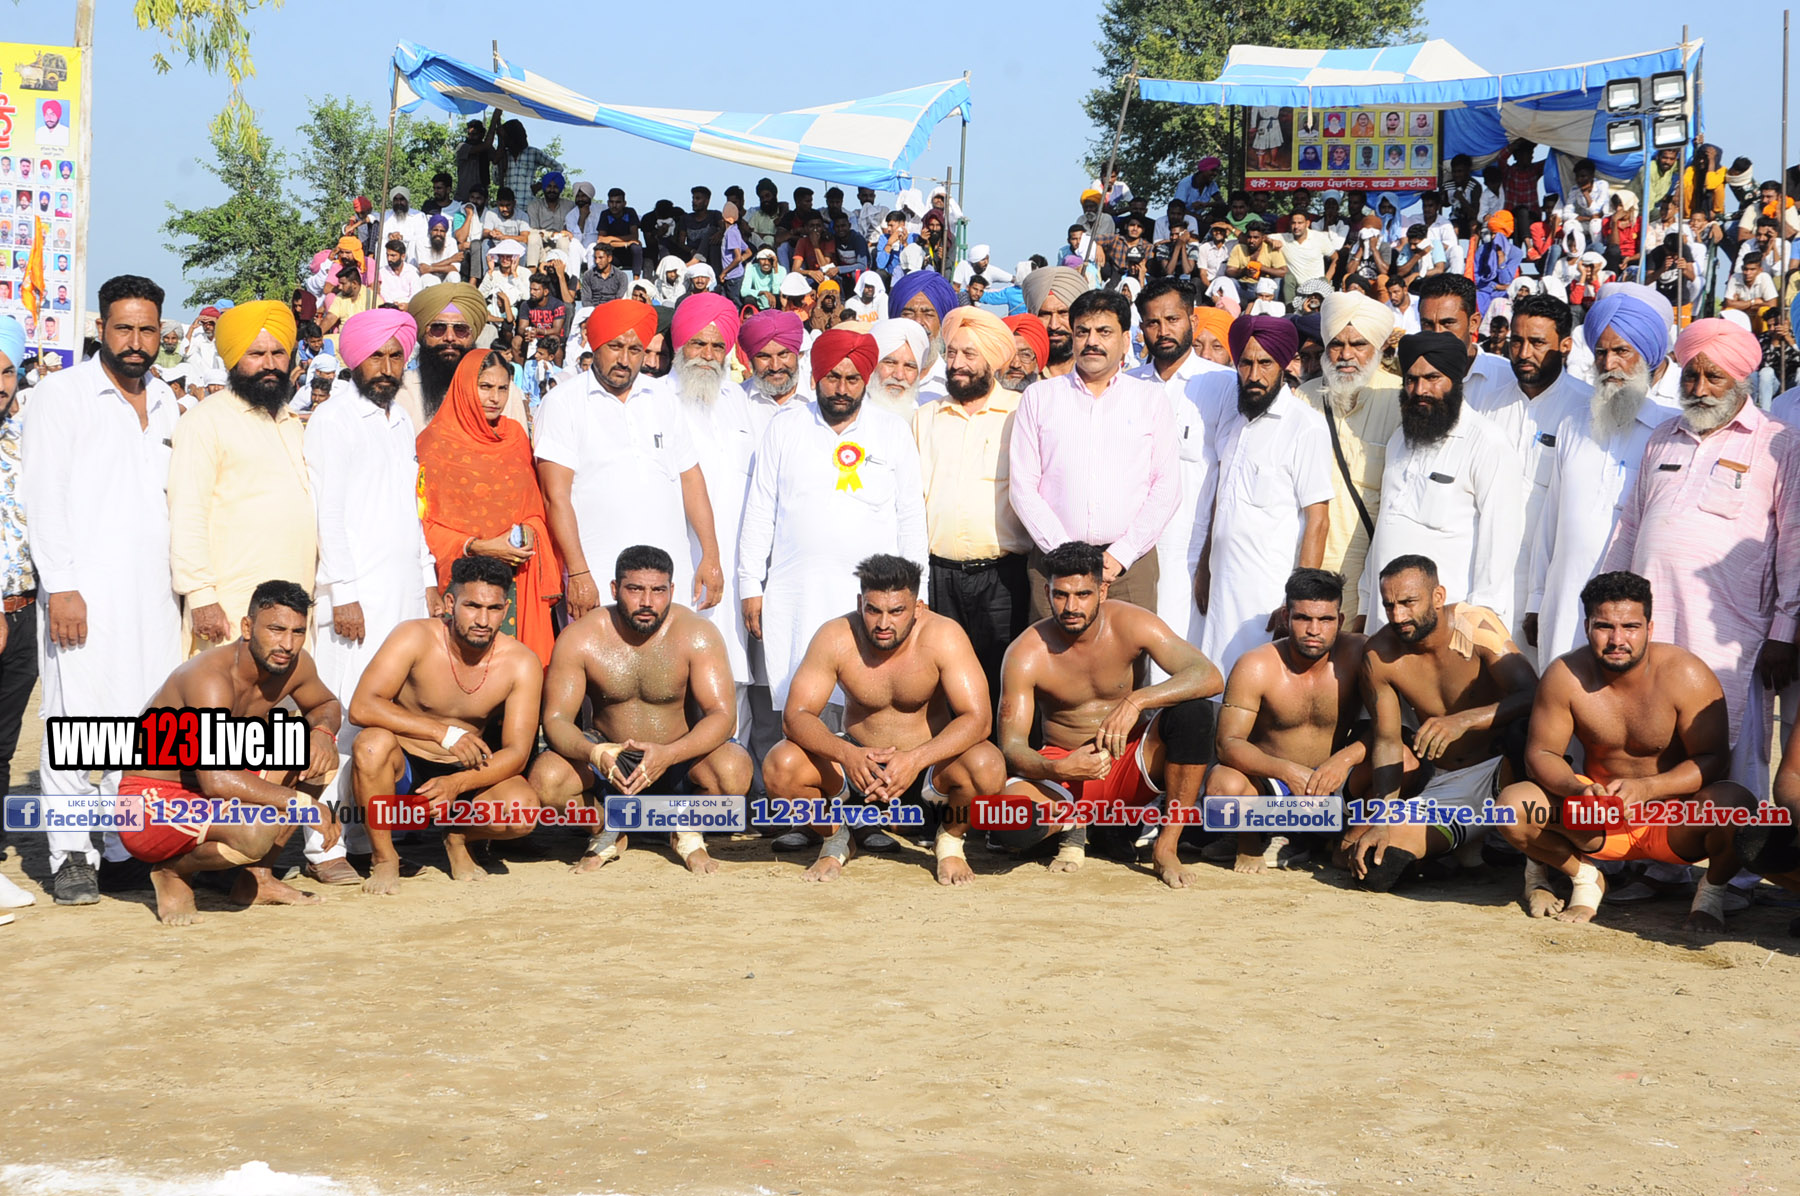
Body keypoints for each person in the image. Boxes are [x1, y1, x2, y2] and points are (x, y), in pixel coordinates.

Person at [1603, 318, 1800, 792]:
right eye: (1691, 375)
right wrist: (1608, 598)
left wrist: (1784, 630)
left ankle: (1738, 840)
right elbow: (1632, 525)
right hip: (1653, 622)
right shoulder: (1663, 436)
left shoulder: (1780, 441)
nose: (1699, 389)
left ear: (1741, 379)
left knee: (1735, 752)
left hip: (1733, 632)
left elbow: (1794, 541)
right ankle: (1661, 840)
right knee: (1655, 738)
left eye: (1714, 377)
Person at [1491, 571, 1749, 931]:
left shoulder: (1685, 674)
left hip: (1671, 820)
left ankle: (1710, 894)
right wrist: (1578, 789)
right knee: (1511, 807)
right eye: (1604, 627)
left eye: (1630, 626)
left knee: (1737, 805)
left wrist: (1649, 788)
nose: (1617, 639)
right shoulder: (1566, 674)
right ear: (1587, 627)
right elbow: (1542, 754)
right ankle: (1586, 879)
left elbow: (1714, 759)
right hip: (1599, 818)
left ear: (1650, 628)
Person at [762, 554, 1005, 884]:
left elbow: (978, 719)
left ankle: (949, 842)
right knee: (781, 764)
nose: (883, 623)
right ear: (860, 603)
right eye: (873, 610)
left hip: (926, 773)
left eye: (896, 611)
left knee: (988, 764)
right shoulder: (836, 636)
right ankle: (836, 839)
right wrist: (847, 754)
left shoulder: (943, 636)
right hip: (858, 771)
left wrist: (915, 759)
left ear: (917, 608)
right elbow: (796, 716)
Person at [304, 309, 443, 875]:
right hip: (353, 596)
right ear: (354, 360)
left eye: (395, 357)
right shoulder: (333, 419)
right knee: (341, 712)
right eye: (375, 357)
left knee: (384, 715)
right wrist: (343, 591)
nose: (386, 368)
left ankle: (367, 836)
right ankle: (324, 845)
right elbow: (328, 513)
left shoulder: (401, 420)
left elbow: (412, 509)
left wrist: (428, 580)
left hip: (402, 593)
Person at [114, 581, 343, 925]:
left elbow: (326, 704)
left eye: (297, 632)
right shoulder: (209, 678)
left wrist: (323, 733)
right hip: (151, 803)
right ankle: (172, 872)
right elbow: (216, 780)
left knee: (320, 759)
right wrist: (304, 804)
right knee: (256, 829)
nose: (287, 644)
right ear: (247, 628)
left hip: (213, 789)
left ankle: (257, 880)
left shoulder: (295, 665)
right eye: (276, 629)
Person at [996, 541, 1223, 882]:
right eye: (1061, 595)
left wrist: (1138, 701)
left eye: (1083, 594)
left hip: (1129, 760)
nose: (1071, 607)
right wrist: (1057, 768)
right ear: (1047, 592)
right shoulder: (1026, 652)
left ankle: (1166, 847)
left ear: (1102, 591)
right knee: (1007, 823)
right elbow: (1011, 747)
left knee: (1195, 713)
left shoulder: (1131, 623)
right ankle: (1077, 821)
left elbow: (1208, 675)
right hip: (1064, 768)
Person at [529, 545, 751, 875]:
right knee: (546, 781)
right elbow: (556, 719)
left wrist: (669, 754)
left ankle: (683, 827)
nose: (647, 601)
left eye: (658, 590)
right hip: (611, 763)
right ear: (615, 589)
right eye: (635, 589)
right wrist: (595, 753)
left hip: (678, 761)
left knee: (733, 770)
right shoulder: (581, 637)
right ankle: (607, 827)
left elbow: (723, 716)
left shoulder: (696, 633)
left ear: (671, 590)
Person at [739, 328, 928, 714]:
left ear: (866, 380)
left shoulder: (891, 431)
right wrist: (749, 585)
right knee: (801, 708)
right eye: (833, 377)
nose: (842, 389)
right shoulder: (785, 427)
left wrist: (917, 592)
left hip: (873, 599)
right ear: (815, 377)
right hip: (798, 594)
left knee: (869, 705)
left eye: (853, 379)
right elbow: (760, 510)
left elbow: (910, 517)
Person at [348, 556, 545, 894]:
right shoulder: (415, 636)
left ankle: (458, 836)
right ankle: (384, 858)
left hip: (465, 770)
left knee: (522, 813)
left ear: (505, 610)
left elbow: (517, 752)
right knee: (370, 744)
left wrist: (457, 783)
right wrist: (443, 733)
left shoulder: (521, 662)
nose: (482, 620)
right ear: (451, 603)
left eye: (493, 609)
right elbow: (362, 706)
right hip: (404, 766)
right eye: (472, 606)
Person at [1348, 555, 1538, 889]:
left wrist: (1464, 720)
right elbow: (1387, 741)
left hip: (1504, 770)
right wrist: (1382, 819)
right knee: (1376, 868)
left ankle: (1536, 871)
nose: (1398, 616)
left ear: (1438, 596)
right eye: (1389, 605)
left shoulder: (1475, 624)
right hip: (1450, 785)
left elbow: (1533, 694)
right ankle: (1464, 846)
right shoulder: (1379, 655)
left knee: (1524, 732)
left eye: (1408, 602)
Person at [535, 299, 724, 620]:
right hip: (599, 574)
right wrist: (578, 572)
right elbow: (555, 497)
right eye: (615, 347)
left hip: (670, 573)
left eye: (635, 350)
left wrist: (711, 555)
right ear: (594, 345)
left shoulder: (663, 398)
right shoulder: (562, 403)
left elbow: (691, 479)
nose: (624, 360)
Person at [1528, 284, 1681, 663]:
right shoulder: (1572, 425)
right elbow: (1549, 521)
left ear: (1647, 356)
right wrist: (1536, 599)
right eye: (1601, 352)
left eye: (1622, 351)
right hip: (1564, 601)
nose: (1609, 363)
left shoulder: (1669, 432)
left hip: (1628, 617)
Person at [1009, 289, 1177, 617]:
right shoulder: (1039, 397)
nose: (1091, 341)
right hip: (1054, 563)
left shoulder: (1150, 400)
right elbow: (1022, 488)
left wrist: (1121, 554)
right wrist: (1065, 555)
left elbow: (1167, 487)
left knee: (1129, 649)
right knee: (1051, 650)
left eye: (1104, 332)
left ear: (1126, 340)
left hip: (1128, 567)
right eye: (1082, 331)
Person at [168, 302, 318, 658]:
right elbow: (187, 513)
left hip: (295, 604)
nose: (269, 364)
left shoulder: (292, 422)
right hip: (231, 605)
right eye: (256, 354)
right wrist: (201, 597)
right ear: (234, 358)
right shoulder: (204, 422)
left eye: (278, 353)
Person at [1190, 315, 1332, 679]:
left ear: (1283, 364)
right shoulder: (1234, 422)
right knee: (1217, 684)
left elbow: (1318, 520)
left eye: (1265, 363)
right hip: (1221, 586)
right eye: (1245, 363)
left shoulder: (1306, 426)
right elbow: (1222, 501)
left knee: (1260, 685)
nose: (1254, 375)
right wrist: (1205, 567)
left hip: (1269, 596)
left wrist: (1297, 601)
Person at [1207, 569, 1368, 873]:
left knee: (1402, 760)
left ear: (1340, 620)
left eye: (1325, 620)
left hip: (1332, 783)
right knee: (1222, 785)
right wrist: (1287, 771)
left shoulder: (1359, 654)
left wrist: (1343, 760)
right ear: (1286, 616)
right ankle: (1250, 841)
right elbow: (1227, 744)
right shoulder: (1257, 665)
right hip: (1274, 785)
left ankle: (1342, 841)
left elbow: (1387, 729)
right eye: (1303, 618)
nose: (1314, 629)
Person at [1360, 332, 1522, 634]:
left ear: (1456, 380)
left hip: (1448, 626)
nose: (1420, 390)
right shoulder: (1400, 439)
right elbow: (1386, 525)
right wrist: (1364, 600)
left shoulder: (1487, 444)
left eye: (1432, 378)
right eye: (1411, 380)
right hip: (1385, 618)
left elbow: (1500, 542)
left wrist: (1480, 622)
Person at [1462, 292, 1593, 664]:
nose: (1523, 353)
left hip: (1550, 581)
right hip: (1484, 576)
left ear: (1565, 346)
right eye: (1516, 341)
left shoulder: (1585, 409)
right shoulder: (1487, 406)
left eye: (1537, 343)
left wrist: (1540, 598)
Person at [912, 307, 1033, 707]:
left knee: (1003, 685)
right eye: (951, 353)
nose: (957, 364)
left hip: (1002, 579)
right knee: (942, 688)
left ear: (993, 361)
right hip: (939, 577)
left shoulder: (1021, 411)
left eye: (969, 354)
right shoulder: (924, 418)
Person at [418, 349, 563, 667]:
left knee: (514, 672)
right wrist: (478, 546)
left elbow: (533, 506)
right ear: (464, 386)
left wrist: (528, 533)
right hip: (461, 583)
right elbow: (423, 523)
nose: (495, 398)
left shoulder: (515, 436)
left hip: (515, 581)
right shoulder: (434, 443)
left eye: (502, 388)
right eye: (485, 387)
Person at [1128, 279, 1230, 648]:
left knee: (1182, 657)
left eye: (1172, 319)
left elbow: (1226, 479)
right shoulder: (1126, 386)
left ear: (1192, 320)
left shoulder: (1223, 384)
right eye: (1153, 323)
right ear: (1142, 329)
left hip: (1190, 551)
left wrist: (1208, 560)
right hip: (1131, 552)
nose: (1163, 331)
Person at [666, 295, 756, 694]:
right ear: (679, 343)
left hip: (735, 562)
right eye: (698, 343)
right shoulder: (656, 399)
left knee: (733, 678)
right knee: (678, 675)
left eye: (718, 346)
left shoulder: (738, 399)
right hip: (681, 558)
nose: (707, 355)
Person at [1298, 293, 1401, 626]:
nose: (1345, 355)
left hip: (1371, 571)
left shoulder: (1400, 399)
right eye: (1336, 344)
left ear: (1378, 347)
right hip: (1307, 563)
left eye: (1358, 344)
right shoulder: (1303, 398)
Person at [402, 283, 528, 431]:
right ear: (423, 334)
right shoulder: (403, 390)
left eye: (460, 329)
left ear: (472, 335)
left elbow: (518, 441)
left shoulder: (503, 391)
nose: (449, 337)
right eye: (438, 328)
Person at [1018, 265, 1087, 379]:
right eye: (1044, 314)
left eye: (1063, 313)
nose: (1054, 325)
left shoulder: (1101, 374)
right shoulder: (1019, 373)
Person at [866, 317, 932, 420]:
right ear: (873, 365)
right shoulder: (851, 416)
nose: (899, 376)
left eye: (909, 367)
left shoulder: (926, 418)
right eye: (890, 363)